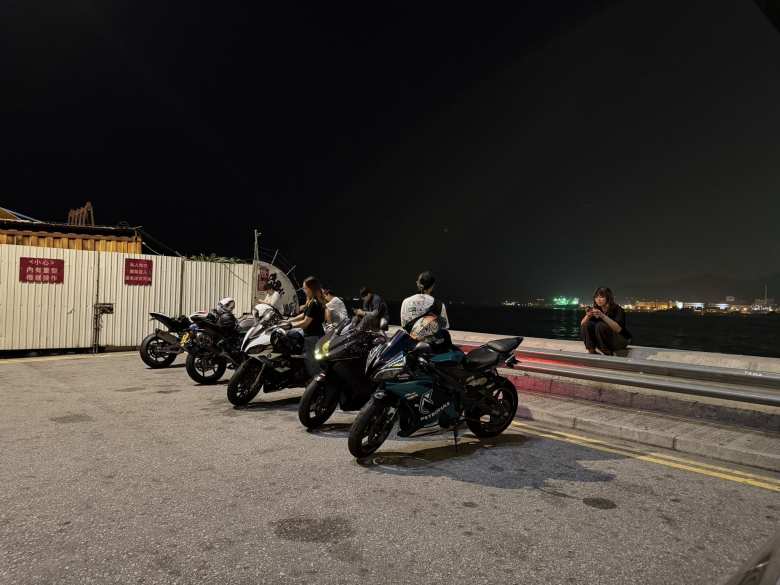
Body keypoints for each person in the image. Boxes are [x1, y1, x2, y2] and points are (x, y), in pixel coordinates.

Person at [400, 271, 451, 351]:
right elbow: (444, 327)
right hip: (432, 349)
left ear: (418, 284)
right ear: (432, 286)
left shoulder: (406, 301)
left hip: (410, 347)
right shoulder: (440, 305)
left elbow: (404, 325)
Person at [285, 276, 326, 376]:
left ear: (311, 289)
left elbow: (305, 322)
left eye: (305, 288)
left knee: (312, 365)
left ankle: (317, 383)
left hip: (313, 336)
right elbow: (304, 315)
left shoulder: (314, 303)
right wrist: (289, 320)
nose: (304, 290)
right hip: (315, 334)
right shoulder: (312, 301)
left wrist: (290, 325)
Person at [580, 287, 632, 356]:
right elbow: (583, 324)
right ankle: (591, 350)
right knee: (587, 324)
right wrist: (588, 316)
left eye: (601, 297)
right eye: (596, 297)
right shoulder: (597, 309)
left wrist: (602, 316)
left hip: (621, 340)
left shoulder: (618, 310)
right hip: (606, 340)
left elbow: (618, 329)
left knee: (600, 325)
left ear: (608, 298)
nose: (598, 299)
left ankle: (607, 353)